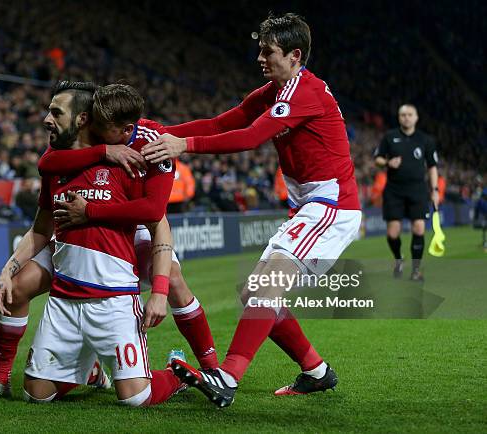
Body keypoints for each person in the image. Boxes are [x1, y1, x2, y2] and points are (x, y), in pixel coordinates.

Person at [141, 13, 362, 407]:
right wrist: (160, 133)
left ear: (295, 55)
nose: (260, 58)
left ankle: (226, 377)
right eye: (259, 50)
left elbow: (249, 138)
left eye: (268, 51)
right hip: (310, 207)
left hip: (331, 205)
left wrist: (183, 146)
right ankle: (316, 371)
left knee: (265, 287)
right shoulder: (274, 91)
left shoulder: (303, 92)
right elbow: (219, 123)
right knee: (253, 292)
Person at [0, 82, 218, 401]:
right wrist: (7, 269)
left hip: (125, 231)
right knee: (17, 288)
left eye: (56, 112)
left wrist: (92, 211)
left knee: (173, 279)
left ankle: (211, 370)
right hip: (72, 245)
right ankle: (11, 378)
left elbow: (155, 214)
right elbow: (43, 199)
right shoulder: (62, 155)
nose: (46, 120)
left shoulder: (140, 146)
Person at [374, 104, 439, 281]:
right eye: (403, 115)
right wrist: (387, 163)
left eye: (410, 114)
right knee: (392, 233)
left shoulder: (425, 140)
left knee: (418, 228)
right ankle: (398, 259)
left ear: (416, 117)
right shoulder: (390, 137)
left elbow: (432, 168)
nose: (406, 118)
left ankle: (416, 270)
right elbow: (377, 159)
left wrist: (435, 190)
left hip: (418, 190)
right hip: (394, 190)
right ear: (399, 117)